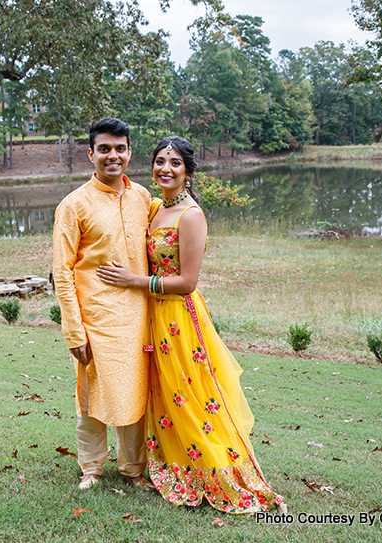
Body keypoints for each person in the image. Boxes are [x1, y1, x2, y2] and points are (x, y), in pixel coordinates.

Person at [97, 136, 284, 513]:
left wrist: (136, 282)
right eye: (160, 161)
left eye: (175, 163)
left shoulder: (191, 215)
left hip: (180, 317)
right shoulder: (154, 208)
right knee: (164, 395)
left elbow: (188, 282)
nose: (165, 169)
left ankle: (218, 471)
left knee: (193, 396)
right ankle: (174, 465)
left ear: (188, 171)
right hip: (153, 316)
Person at [52, 118, 156, 491]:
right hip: (95, 319)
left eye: (120, 148)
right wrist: (73, 330)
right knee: (93, 397)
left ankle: (133, 470)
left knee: (135, 395)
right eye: (105, 149)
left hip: (138, 318)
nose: (113, 156)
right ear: (91, 154)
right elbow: (61, 272)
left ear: (129, 151)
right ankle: (92, 468)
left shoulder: (143, 197)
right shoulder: (73, 204)